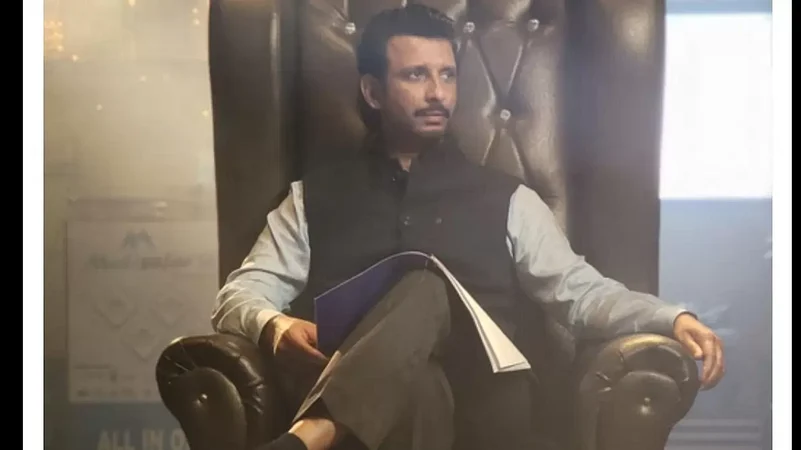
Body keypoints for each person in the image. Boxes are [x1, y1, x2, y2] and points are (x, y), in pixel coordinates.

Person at [211, 5, 725, 450]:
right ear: (372, 91)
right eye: (416, 75)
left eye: (448, 75)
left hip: (486, 409)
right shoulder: (313, 198)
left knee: (424, 287)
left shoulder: (509, 200)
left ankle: (309, 436)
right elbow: (239, 294)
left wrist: (668, 317)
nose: (438, 93)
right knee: (417, 380)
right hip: (387, 415)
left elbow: (580, 292)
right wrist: (273, 326)